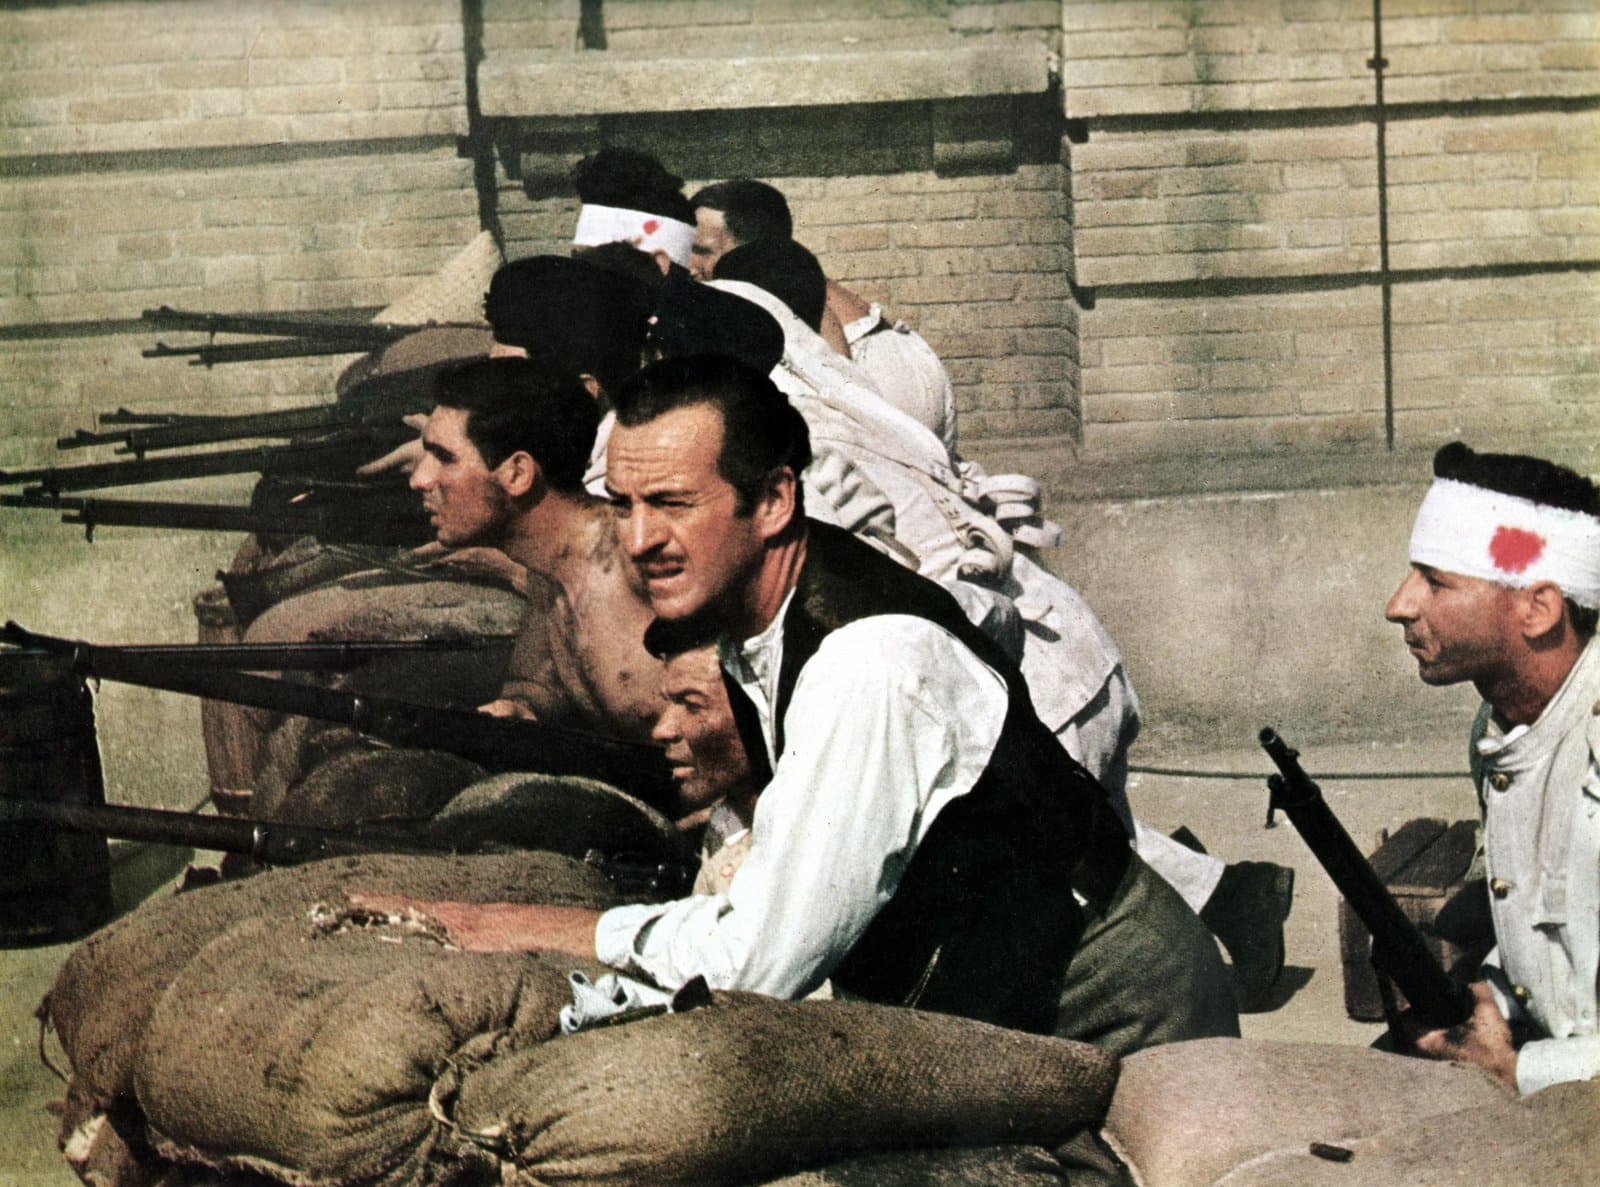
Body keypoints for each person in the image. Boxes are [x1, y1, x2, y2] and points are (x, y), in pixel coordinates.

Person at [362, 355, 1237, 1054]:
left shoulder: (867, 664)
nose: (640, 539)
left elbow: (758, 962)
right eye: (622, 505)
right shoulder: (757, 621)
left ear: (776, 499)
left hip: (1112, 1013)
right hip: (993, 996)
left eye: (672, 504)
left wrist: (545, 929)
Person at [1387, 441, 1600, 1094]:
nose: (1399, 605)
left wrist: (1517, 1068)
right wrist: (1492, 996)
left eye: (1436, 581)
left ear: (1537, 608)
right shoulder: (1499, 728)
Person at [410, 356, 663, 742]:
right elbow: (536, 689)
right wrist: (520, 709)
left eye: (444, 457)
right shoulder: (548, 566)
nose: (419, 479)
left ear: (517, 473)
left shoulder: (638, 556)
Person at [689, 177, 958, 450]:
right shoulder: (907, 351)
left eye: (702, 251)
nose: (690, 267)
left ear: (760, 252)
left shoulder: (839, 360)